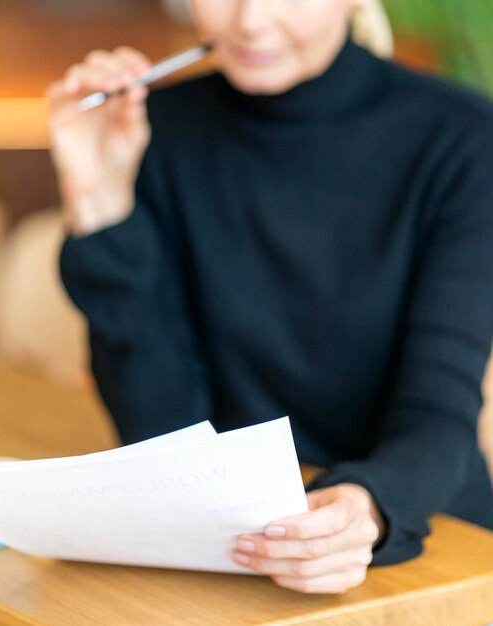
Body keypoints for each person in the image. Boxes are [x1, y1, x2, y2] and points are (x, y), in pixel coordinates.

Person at [46, 0, 493, 594]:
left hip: (420, 535)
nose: (251, 20)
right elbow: (162, 436)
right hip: (231, 545)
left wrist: (366, 507)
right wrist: (100, 205)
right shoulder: (149, 129)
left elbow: (439, 417)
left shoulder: (462, 138)